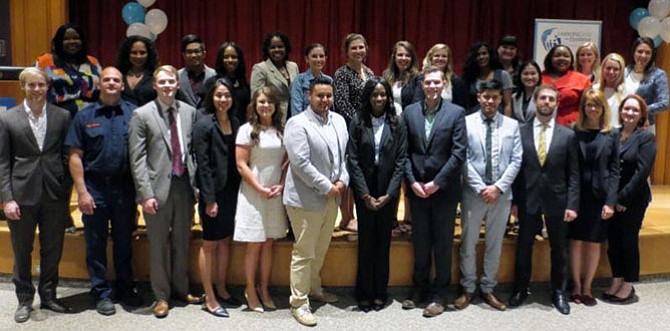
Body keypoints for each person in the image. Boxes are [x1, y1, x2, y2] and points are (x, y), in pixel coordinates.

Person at [65, 67, 141, 316]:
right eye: (106, 79)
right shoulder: (84, 116)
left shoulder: (134, 114)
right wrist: (82, 192)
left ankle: (125, 288)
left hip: (125, 188)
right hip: (95, 188)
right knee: (95, 243)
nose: (111, 83)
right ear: (99, 84)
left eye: (116, 80)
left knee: (124, 242)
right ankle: (101, 292)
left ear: (122, 86)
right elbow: (75, 156)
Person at [0, 68, 72, 323]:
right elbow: (2, 162)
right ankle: (24, 300)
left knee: (52, 249)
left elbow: (68, 157)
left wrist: (67, 188)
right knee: (22, 251)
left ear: (47, 86)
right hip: (21, 194)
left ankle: (49, 295)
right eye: (31, 85)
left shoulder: (62, 116)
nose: (36, 89)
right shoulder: (8, 119)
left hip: (55, 193)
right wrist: (7, 198)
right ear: (23, 87)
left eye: (41, 84)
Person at [128, 65, 201, 318]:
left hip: (184, 187)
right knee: (158, 244)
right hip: (156, 189)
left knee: (182, 241)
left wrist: (197, 184)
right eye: (162, 82)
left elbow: (192, 152)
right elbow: (137, 159)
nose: (168, 85)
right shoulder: (142, 114)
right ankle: (161, 296)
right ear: (155, 86)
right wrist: (145, 194)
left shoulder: (190, 112)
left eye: (171, 81)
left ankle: (181, 288)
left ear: (177, 84)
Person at [401, 65, 466, 318]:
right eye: (428, 82)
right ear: (422, 85)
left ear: (444, 84)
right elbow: (404, 152)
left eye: (437, 83)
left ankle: (440, 294)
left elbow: (458, 152)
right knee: (420, 242)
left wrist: (436, 182)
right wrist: (413, 182)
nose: (432, 87)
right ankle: (419, 289)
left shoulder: (456, 113)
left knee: (442, 243)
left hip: (444, 190)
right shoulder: (409, 112)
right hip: (417, 189)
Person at [508, 84, 580, 315]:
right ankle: (520, 289)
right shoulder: (520, 131)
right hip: (527, 199)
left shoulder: (568, 135)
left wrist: (572, 204)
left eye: (551, 99)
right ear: (535, 102)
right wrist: (514, 202)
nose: (547, 102)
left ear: (557, 103)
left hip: (557, 201)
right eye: (543, 98)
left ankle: (558, 292)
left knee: (559, 249)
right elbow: (516, 171)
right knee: (523, 247)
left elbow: (574, 174)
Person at [283, 77, 349, 327]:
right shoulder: (297, 123)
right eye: (320, 96)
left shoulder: (339, 121)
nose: (325, 100)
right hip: (305, 199)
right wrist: (327, 187)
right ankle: (298, 302)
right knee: (304, 251)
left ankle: (314, 288)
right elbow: (300, 164)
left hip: (333, 196)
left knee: (320, 248)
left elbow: (345, 156)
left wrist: (342, 181)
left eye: (328, 96)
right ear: (309, 96)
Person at [456, 79, 522, 312]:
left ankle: (488, 288)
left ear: (500, 99)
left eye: (495, 97)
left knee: (494, 244)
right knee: (469, 242)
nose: (490, 101)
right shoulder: (465, 123)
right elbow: (461, 157)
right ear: (479, 97)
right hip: (474, 193)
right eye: (486, 96)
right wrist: (481, 187)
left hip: (501, 196)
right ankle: (468, 288)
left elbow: (516, 160)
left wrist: (498, 187)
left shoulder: (512, 126)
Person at [347, 78, 407, 312]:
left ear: (388, 97)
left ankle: (380, 291)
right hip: (365, 190)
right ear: (368, 97)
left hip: (387, 193)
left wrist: (390, 194)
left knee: (383, 244)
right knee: (366, 243)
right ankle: (364, 291)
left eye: (383, 94)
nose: (379, 99)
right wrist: (363, 195)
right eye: (374, 95)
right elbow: (352, 159)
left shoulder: (397, 122)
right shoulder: (358, 121)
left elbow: (401, 160)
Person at [234, 86, 288, 313]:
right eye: (261, 102)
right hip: (253, 192)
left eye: (270, 102)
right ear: (254, 105)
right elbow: (241, 164)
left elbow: (287, 161)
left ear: (276, 106)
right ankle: (250, 289)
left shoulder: (281, 130)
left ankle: (264, 288)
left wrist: (282, 183)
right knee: (254, 243)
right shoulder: (246, 130)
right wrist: (260, 188)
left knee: (269, 243)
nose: (266, 106)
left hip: (274, 193)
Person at [193, 78, 243, 318]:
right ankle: (209, 297)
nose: (223, 100)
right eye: (219, 95)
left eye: (227, 96)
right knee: (210, 244)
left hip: (232, 191)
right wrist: (209, 199)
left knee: (225, 240)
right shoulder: (203, 124)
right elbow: (202, 165)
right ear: (211, 97)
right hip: (212, 193)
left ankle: (221, 288)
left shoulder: (234, 121)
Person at [568, 88, 619, 307]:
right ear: (583, 108)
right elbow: (571, 169)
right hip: (578, 196)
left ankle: (588, 286)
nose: (592, 109)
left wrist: (610, 201)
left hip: (600, 197)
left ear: (602, 108)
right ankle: (576, 286)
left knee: (594, 243)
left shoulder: (612, 133)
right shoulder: (574, 131)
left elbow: (615, 170)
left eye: (596, 105)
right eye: (588, 105)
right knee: (576, 242)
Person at [604, 95, 656, 304]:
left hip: (633, 198)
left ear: (642, 114)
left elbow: (642, 171)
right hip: (612, 197)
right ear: (621, 111)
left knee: (627, 240)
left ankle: (629, 283)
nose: (630, 113)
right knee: (613, 241)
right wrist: (610, 199)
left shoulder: (645, 137)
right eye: (627, 109)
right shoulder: (614, 134)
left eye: (635, 110)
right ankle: (617, 278)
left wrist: (622, 198)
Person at [333, 33, 374, 232]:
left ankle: (360, 214)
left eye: (361, 47)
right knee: (348, 173)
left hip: (370, 130)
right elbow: (342, 105)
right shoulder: (342, 74)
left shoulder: (370, 72)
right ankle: (346, 218)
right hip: (350, 130)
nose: (358, 51)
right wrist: (359, 125)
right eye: (354, 48)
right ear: (346, 51)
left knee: (362, 173)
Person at [35, 23, 102, 117]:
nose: (72, 41)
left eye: (76, 38)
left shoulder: (93, 62)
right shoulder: (45, 61)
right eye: (66, 39)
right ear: (59, 41)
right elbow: (34, 91)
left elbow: (101, 90)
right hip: (57, 117)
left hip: (91, 117)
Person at [250, 32, 299, 122]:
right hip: (272, 117)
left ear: (286, 48)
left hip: (294, 116)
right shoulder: (260, 68)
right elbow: (256, 97)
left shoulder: (293, 66)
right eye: (272, 47)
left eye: (280, 46)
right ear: (267, 50)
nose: (277, 50)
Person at [624, 37, 669, 133]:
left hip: (644, 126)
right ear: (633, 53)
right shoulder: (625, 71)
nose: (643, 55)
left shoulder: (658, 74)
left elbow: (664, 103)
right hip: (622, 124)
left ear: (652, 55)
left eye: (648, 52)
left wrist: (640, 110)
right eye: (640, 51)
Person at [541, 44, 592, 127]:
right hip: (543, 124)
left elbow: (589, 106)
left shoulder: (582, 80)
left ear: (571, 59)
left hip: (572, 126)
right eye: (557, 55)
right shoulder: (539, 77)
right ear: (550, 58)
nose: (562, 58)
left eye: (566, 56)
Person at [203, 42, 251, 124]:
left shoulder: (244, 84)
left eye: (234, 57)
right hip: (218, 129)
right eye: (226, 57)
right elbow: (206, 110)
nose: (230, 60)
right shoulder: (212, 83)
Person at [462, 41, 513, 115]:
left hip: (498, 121)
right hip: (474, 121)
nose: (481, 57)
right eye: (478, 55)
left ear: (490, 55)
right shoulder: (468, 77)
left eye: (484, 53)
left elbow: (507, 104)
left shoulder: (503, 75)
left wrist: (507, 124)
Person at [416, 43, 469, 110]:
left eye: (444, 56)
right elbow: (416, 103)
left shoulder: (457, 81)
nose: (440, 59)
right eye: (437, 56)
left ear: (448, 60)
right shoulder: (421, 77)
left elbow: (461, 107)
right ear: (431, 58)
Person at [290, 43, 333, 117]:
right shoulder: (299, 80)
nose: (318, 59)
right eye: (314, 56)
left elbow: (331, 108)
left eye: (321, 56)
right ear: (307, 59)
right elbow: (296, 110)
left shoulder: (329, 80)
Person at [116, 35, 159, 107]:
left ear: (149, 54)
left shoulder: (156, 76)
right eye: (134, 52)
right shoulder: (118, 75)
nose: (138, 56)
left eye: (142, 53)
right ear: (127, 54)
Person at [177, 34, 216, 108]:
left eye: (196, 51)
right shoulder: (177, 77)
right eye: (189, 52)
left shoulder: (214, 75)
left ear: (204, 54)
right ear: (184, 55)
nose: (193, 55)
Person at [381, 41, 421, 113]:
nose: (404, 58)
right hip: (388, 120)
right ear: (394, 57)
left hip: (407, 120)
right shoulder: (386, 75)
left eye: (407, 55)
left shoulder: (418, 77)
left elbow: (416, 105)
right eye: (400, 55)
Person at [593, 53, 627, 128]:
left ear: (621, 71)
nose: (611, 72)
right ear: (602, 69)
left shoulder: (627, 91)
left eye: (616, 69)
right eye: (608, 68)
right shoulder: (594, 89)